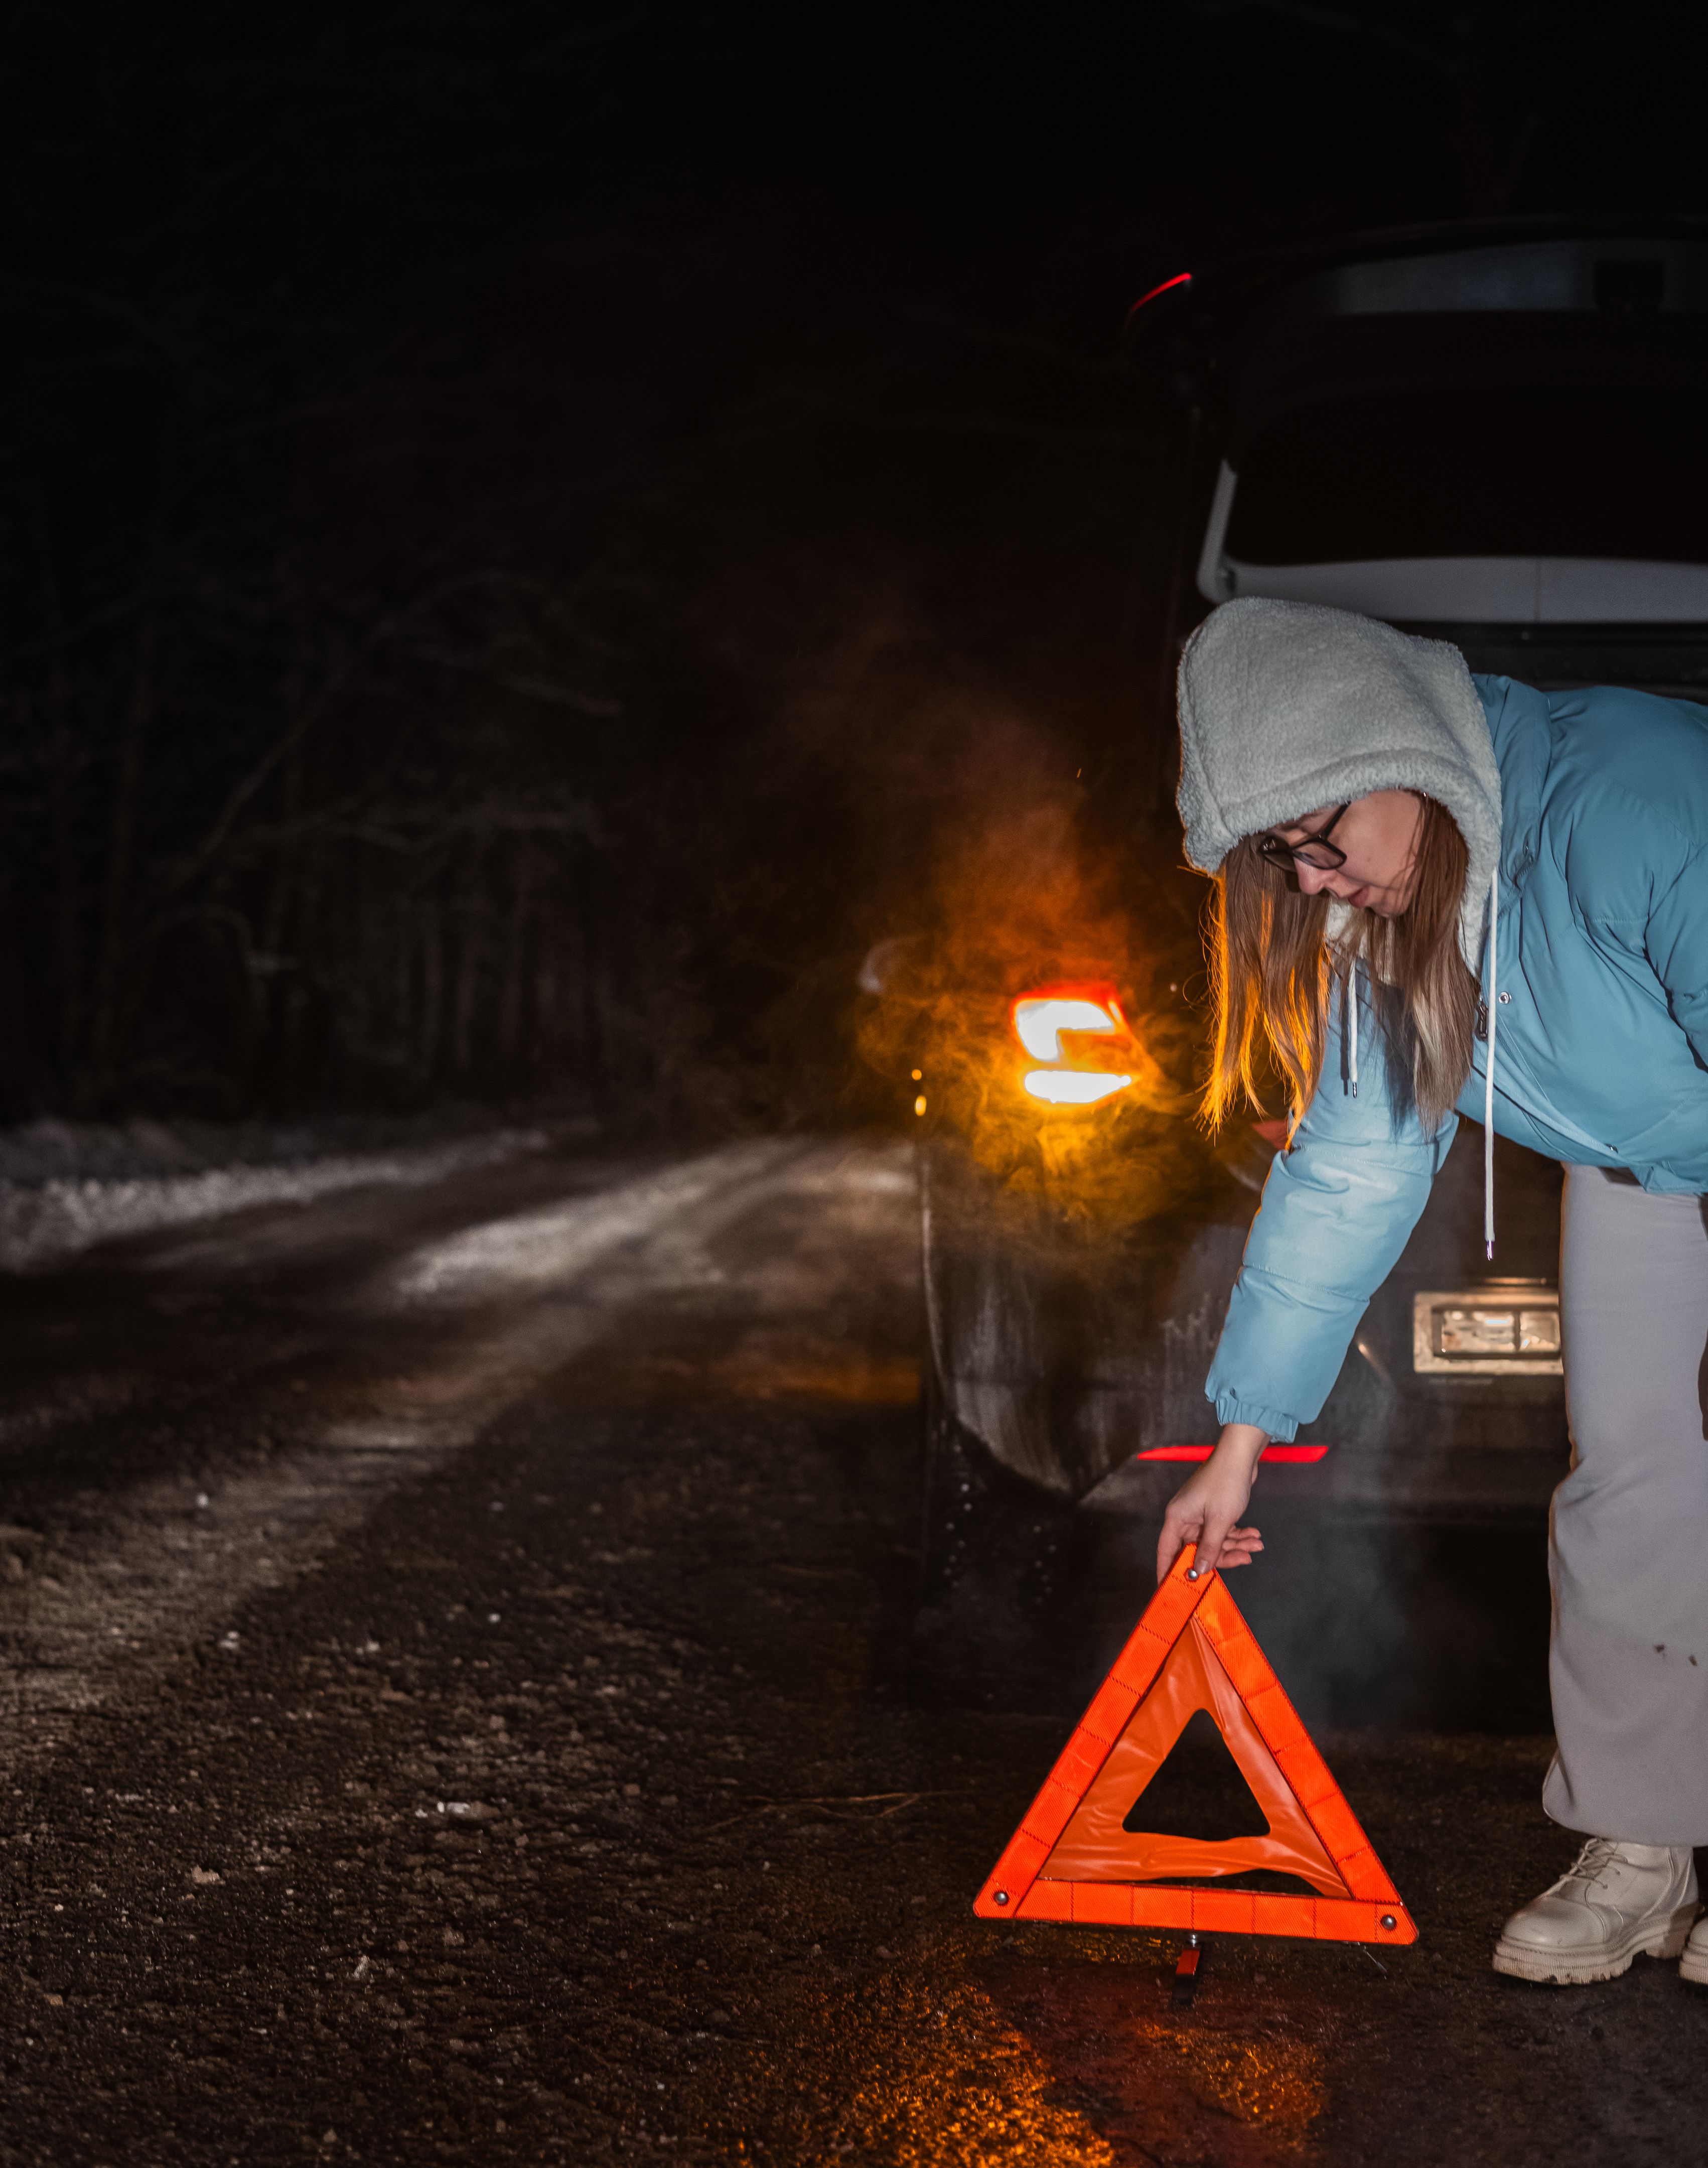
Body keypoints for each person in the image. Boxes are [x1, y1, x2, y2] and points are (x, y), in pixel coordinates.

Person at [1157, 597, 1708, 1988]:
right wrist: (1241, 1446)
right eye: (1282, 855)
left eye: (1319, 832)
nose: (1313, 879)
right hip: (1645, 1171)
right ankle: (1640, 1850)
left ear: (1394, 747)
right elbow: (1346, 1175)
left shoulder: (1632, 800)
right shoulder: (1391, 932)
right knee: (1630, 1485)